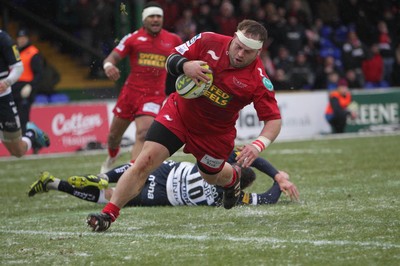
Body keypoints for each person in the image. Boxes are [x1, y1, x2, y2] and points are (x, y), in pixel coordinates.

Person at [87, 19, 286, 232]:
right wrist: (185, 65)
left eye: (247, 52)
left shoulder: (258, 79)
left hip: (214, 134)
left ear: (258, 53)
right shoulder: (208, 40)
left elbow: (273, 120)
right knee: (144, 162)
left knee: (210, 176)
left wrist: (258, 145)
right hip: (179, 114)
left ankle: (233, 179)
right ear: (234, 36)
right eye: (238, 46)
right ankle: (109, 214)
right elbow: (171, 59)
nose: (239, 54)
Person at [28, 150, 299, 207]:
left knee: (134, 172)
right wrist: (278, 180)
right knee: (115, 192)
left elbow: (249, 159)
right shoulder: (236, 194)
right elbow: (265, 199)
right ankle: (97, 178)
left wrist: (279, 177)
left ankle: (54, 183)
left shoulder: (222, 162)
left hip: (166, 178)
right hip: (164, 191)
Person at [100, 2, 182, 173]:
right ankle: (112, 156)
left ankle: (131, 173)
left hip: (153, 96)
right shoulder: (133, 38)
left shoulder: (173, 40)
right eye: (152, 16)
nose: (155, 19)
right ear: (144, 19)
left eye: (158, 16)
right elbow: (111, 58)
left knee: (144, 133)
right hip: (129, 94)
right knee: (114, 137)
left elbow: (186, 59)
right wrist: (108, 66)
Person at [0, 29, 50, 157]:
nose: (21, 39)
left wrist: (6, 82)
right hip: (16, 88)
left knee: (18, 151)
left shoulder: (4, 39)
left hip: (6, 98)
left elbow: (19, 68)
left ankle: (31, 132)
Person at [11, 28, 44, 133]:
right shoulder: (15, 52)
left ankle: (34, 143)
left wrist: (30, 86)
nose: (21, 40)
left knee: (23, 119)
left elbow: (39, 73)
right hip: (14, 88)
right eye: (19, 38)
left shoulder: (33, 53)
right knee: (13, 120)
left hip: (25, 89)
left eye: (23, 38)